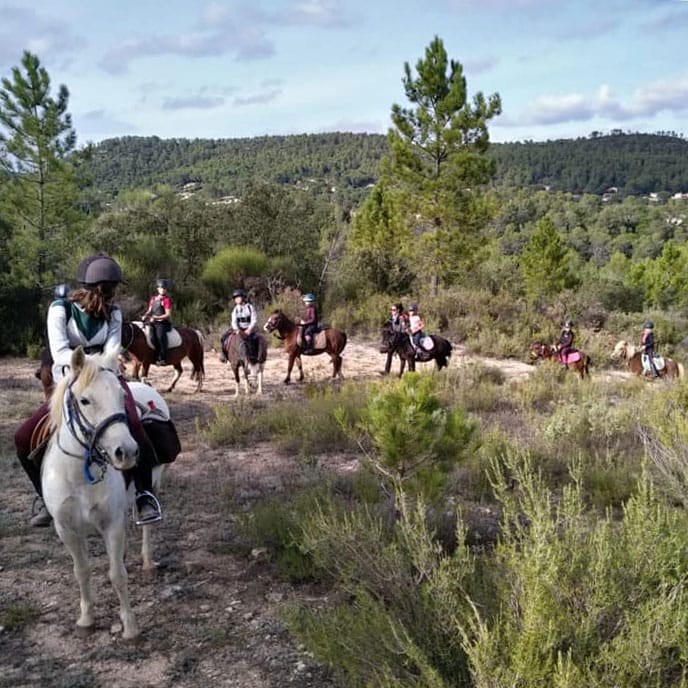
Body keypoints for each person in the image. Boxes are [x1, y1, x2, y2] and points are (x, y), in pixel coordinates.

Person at [14, 254, 162, 527]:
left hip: (106, 379)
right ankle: (46, 499)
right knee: (23, 439)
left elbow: (113, 349)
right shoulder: (60, 309)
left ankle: (144, 495)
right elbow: (59, 353)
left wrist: (100, 367)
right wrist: (87, 366)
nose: (115, 292)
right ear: (101, 286)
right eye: (113, 286)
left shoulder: (114, 312)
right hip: (70, 382)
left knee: (136, 426)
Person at [220, 288, 258, 362]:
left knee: (256, 339)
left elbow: (254, 319)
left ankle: (255, 356)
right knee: (224, 337)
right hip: (238, 329)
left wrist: (249, 329)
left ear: (243, 298)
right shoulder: (235, 309)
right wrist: (236, 329)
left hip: (248, 329)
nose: (236, 300)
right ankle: (224, 355)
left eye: (238, 297)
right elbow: (233, 321)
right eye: (235, 298)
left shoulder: (250, 307)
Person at [142, 278, 172, 365]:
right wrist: (145, 315)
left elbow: (168, 314)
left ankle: (162, 357)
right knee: (149, 337)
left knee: (160, 337)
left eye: (164, 288)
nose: (163, 290)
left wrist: (156, 317)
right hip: (153, 322)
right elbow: (150, 310)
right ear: (157, 289)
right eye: (161, 288)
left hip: (162, 323)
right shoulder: (153, 299)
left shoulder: (167, 300)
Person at [381, 303, 408, 375]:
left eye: (393, 310)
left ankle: (401, 373)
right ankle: (387, 371)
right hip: (394, 338)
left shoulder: (401, 318)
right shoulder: (393, 318)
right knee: (389, 352)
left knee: (402, 356)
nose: (392, 311)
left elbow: (402, 329)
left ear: (398, 310)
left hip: (401, 338)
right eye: (391, 310)